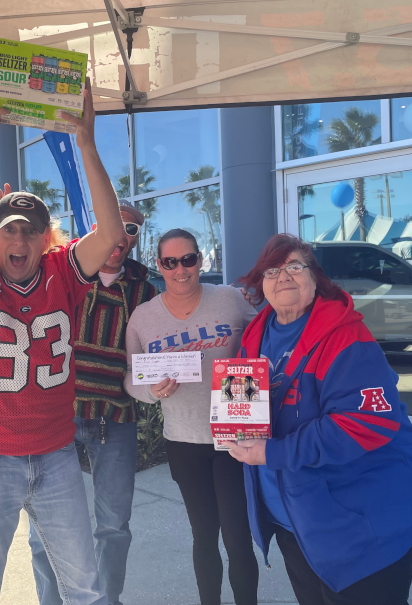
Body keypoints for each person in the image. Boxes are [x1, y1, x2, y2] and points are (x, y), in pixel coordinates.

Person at [0, 76, 124, 605]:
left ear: (46, 238)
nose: (20, 238)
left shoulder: (62, 273)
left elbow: (110, 235)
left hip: (55, 453)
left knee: (86, 587)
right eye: (9, 229)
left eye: (30, 230)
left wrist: (87, 144)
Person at [227, 233, 412, 605]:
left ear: (315, 277)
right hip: (295, 521)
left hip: (360, 526)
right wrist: (234, 428)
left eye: (294, 266)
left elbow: (363, 423)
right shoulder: (255, 335)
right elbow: (243, 406)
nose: (283, 276)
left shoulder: (345, 337)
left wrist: (272, 452)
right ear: (261, 283)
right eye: (272, 270)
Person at [0, 188, 157, 605]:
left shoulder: (146, 292)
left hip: (116, 418)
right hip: (60, 418)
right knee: (44, 531)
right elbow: (6, 274)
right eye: (114, 224)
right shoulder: (62, 273)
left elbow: (155, 350)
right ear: (97, 227)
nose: (121, 235)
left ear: (135, 236)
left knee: (113, 525)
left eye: (131, 228)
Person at [124, 229, 259, 605]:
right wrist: (152, 391)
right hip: (183, 440)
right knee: (204, 536)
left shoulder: (230, 299)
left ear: (200, 260)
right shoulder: (143, 318)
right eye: (170, 262)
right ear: (159, 265)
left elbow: (267, 335)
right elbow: (131, 377)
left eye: (188, 259)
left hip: (235, 437)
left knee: (238, 538)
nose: (180, 269)